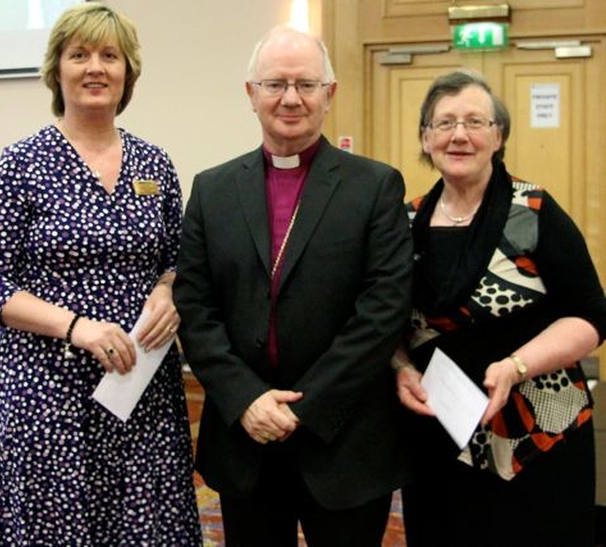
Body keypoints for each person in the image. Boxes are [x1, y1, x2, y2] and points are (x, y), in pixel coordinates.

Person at [0, 3, 202, 545]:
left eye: (109, 55)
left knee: (143, 525)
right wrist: (77, 327)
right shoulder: (20, 164)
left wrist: (169, 289)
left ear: (128, 73)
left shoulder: (154, 164)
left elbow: (179, 256)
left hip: (138, 384)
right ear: (57, 71)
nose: (95, 67)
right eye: (79, 55)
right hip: (46, 390)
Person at [173, 25, 413, 547]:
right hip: (245, 440)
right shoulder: (212, 189)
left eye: (305, 84)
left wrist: (306, 407)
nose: (290, 98)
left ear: (329, 94)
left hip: (345, 439)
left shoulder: (374, 186)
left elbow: (383, 310)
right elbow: (194, 304)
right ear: (250, 94)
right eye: (274, 84)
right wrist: (247, 399)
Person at [394, 69, 606, 547]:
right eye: (444, 123)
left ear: (498, 135)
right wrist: (400, 365)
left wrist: (515, 366)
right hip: (438, 434)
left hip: (538, 433)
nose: (459, 135)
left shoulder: (532, 211)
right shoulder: (404, 220)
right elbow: (388, 322)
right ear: (426, 139)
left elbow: (591, 315)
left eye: (475, 121)